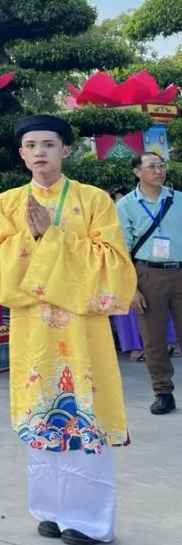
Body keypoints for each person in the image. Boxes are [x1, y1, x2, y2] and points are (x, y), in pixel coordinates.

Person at [0, 114, 135, 545]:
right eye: (32, 145)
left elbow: (114, 264)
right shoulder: (8, 203)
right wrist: (31, 239)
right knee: (42, 412)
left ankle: (87, 520)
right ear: (22, 153)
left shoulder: (94, 199)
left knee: (83, 413)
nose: (40, 152)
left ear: (66, 150)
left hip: (82, 332)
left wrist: (54, 236)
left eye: (49, 144)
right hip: (33, 330)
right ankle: (49, 509)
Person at [117, 151, 182, 415]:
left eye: (161, 165)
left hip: (180, 270)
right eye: (152, 166)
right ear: (137, 172)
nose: (158, 170)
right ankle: (163, 393)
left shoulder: (178, 200)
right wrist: (132, 289)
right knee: (153, 340)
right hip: (147, 275)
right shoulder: (125, 206)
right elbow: (122, 252)